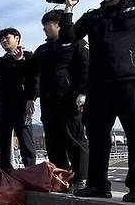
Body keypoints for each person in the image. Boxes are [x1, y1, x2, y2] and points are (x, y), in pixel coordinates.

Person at [60, 0, 135, 203]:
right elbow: (68, 36)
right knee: (97, 135)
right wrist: (68, 8)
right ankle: (97, 185)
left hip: (133, 82)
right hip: (99, 85)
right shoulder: (93, 16)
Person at [27, 10, 89, 190]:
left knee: (74, 139)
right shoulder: (43, 50)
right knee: (54, 143)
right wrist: (31, 96)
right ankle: (62, 179)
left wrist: (83, 93)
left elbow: (86, 68)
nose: (44, 30)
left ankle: (81, 178)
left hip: (70, 101)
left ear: (58, 24)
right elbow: (31, 73)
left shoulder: (77, 43)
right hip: (48, 103)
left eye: (46, 25)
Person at [0, 28, 37, 170]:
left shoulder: (29, 56)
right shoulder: (0, 61)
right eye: (1, 39)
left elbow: (34, 78)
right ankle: (5, 175)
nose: (4, 40)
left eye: (7, 37)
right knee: (3, 144)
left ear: (17, 38)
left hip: (21, 107)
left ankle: (31, 173)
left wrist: (31, 98)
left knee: (26, 142)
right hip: (2, 108)